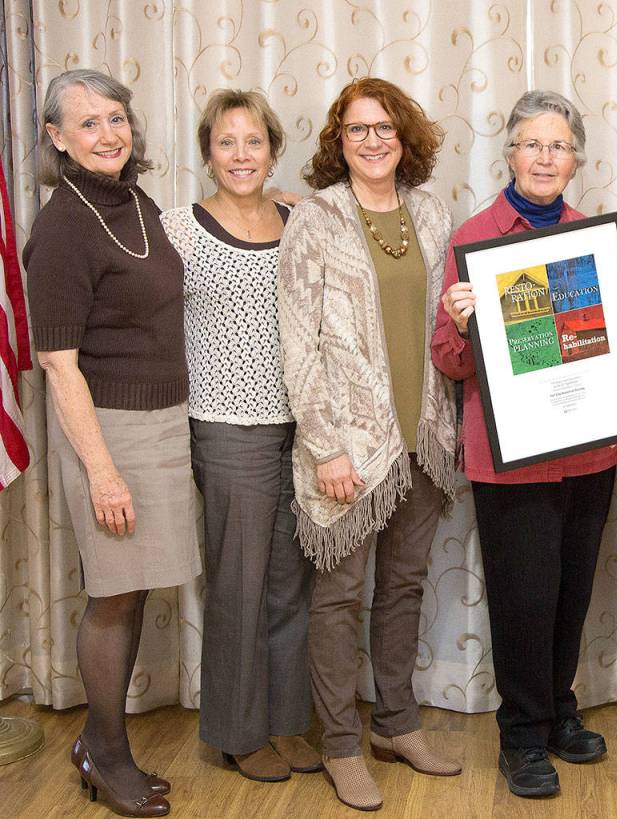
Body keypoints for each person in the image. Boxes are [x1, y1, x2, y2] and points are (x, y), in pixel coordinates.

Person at [277, 77, 460, 812]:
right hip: (351, 444)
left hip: (425, 435)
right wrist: (325, 446)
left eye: (384, 127)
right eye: (357, 130)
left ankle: (397, 724)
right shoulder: (317, 218)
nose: (373, 140)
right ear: (339, 142)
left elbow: (448, 324)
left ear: (404, 136)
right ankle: (341, 745)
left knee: (405, 585)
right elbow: (298, 344)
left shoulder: (433, 213)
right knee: (341, 592)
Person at [24, 68, 202, 817]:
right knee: (112, 593)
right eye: (87, 123)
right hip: (108, 430)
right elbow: (57, 362)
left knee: (132, 589)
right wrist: (101, 471)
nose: (108, 134)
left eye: (116, 118)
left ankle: (102, 743)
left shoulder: (134, 200)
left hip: (160, 420)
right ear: (57, 139)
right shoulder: (62, 223)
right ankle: (106, 751)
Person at [433, 90, 617, 800]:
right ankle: (520, 735)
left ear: (576, 158)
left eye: (559, 145)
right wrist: (457, 320)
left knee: (572, 593)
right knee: (523, 599)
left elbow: (606, 349)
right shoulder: (475, 237)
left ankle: (557, 711)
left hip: (589, 452)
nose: (545, 157)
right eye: (532, 144)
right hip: (510, 460)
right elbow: (449, 362)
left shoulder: (591, 236)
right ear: (510, 154)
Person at [159, 89, 319, 783]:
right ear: (207, 153)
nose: (241, 154)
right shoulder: (180, 229)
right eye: (227, 142)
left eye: (253, 141)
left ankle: (286, 722)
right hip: (227, 431)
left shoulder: (297, 218)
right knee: (239, 584)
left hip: (301, 429)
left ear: (273, 149)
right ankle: (235, 731)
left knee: (292, 586)